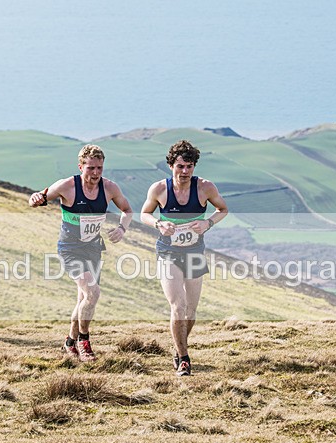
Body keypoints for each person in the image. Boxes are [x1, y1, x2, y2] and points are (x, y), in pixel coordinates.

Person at [28, 144, 133, 362]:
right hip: (70, 249)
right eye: (91, 168)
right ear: (81, 166)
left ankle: (69, 342)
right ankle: (84, 341)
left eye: (99, 168)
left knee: (84, 298)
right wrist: (35, 198)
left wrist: (122, 228)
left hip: (93, 249)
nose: (95, 173)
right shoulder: (67, 186)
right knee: (93, 293)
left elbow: (127, 210)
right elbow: (39, 197)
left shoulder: (109, 188)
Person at [140, 140, 229, 376]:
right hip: (168, 252)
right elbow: (144, 214)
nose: (185, 172)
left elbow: (223, 209)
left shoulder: (205, 188)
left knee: (191, 310)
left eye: (189, 166)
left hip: (195, 252)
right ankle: (184, 359)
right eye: (180, 166)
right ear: (171, 165)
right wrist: (159, 224)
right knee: (177, 306)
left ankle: (179, 347)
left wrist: (207, 223)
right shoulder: (159, 189)